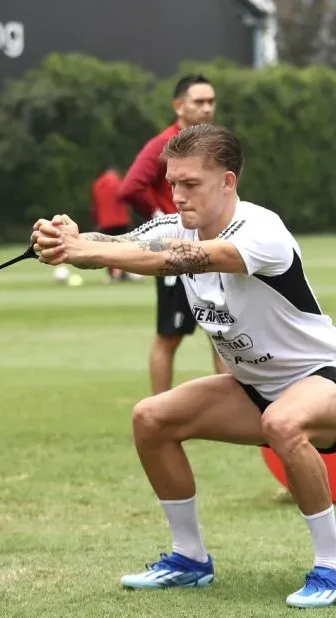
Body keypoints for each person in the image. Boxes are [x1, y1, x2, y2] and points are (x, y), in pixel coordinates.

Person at [32, 123, 336, 608]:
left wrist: (87, 250)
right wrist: (66, 237)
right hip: (254, 386)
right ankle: (189, 559)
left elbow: (184, 259)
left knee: (282, 422)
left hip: (331, 380)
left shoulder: (261, 230)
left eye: (191, 184)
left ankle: (331, 569)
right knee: (150, 418)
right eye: (172, 183)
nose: (178, 195)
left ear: (228, 182)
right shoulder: (174, 226)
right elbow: (122, 243)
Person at [118, 73, 226, 393]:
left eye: (211, 101)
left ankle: (231, 409)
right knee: (169, 335)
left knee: (222, 333)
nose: (207, 108)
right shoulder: (164, 144)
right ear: (178, 106)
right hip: (176, 250)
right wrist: (162, 220)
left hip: (211, 248)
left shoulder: (211, 143)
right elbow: (131, 186)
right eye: (199, 102)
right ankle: (159, 410)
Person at [90, 165, 133, 282]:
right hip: (120, 221)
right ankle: (123, 273)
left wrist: (97, 221)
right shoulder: (118, 182)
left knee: (107, 249)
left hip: (104, 223)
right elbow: (126, 198)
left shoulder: (97, 185)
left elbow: (95, 207)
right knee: (123, 248)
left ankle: (111, 274)